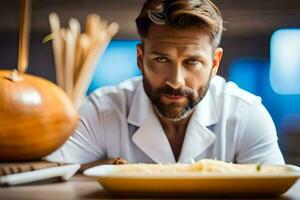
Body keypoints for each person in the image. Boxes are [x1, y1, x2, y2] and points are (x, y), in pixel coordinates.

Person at [45, 0, 285, 168]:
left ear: (214, 63)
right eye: (161, 59)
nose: (175, 81)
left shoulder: (246, 115)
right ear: (140, 58)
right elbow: (47, 176)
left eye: (192, 61)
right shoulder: (101, 111)